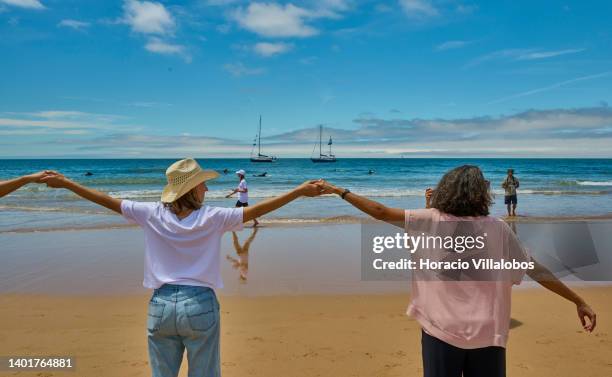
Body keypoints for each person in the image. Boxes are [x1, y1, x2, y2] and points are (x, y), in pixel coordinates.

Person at [40, 158, 322, 377]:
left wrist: (67, 183)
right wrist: (298, 191)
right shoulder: (214, 217)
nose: (207, 188)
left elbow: (106, 201)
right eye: (202, 184)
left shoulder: (151, 213)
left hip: (160, 305)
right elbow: (257, 211)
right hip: (200, 304)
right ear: (192, 189)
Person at [316, 165, 595, 377]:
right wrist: (577, 300)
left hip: (442, 331)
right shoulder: (497, 227)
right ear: (481, 193)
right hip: (489, 332)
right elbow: (535, 269)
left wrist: (339, 190)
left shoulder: (431, 220)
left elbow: (381, 212)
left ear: (446, 189)